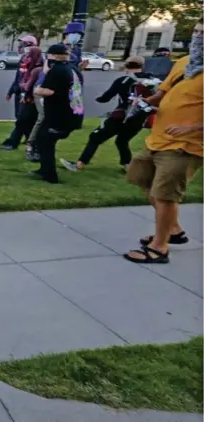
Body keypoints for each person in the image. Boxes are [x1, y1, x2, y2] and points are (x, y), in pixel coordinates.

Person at [123, 19, 203, 265]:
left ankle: (159, 248)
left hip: (185, 145)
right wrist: (147, 102)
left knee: (165, 195)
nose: (198, 37)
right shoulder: (185, 62)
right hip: (157, 139)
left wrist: (191, 126)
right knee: (139, 176)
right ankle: (174, 230)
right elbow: (164, 92)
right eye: (197, 32)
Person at [60, 56, 155, 172]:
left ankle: (80, 164)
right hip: (140, 119)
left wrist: (98, 98)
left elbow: (106, 97)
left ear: (126, 65)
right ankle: (128, 166)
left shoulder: (124, 80)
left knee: (95, 137)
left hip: (121, 117)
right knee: (122, 140)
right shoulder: (153, 81)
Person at [30, 43, 84, 184]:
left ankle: (50, 175)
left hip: (59, 116)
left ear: (52, 56)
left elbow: (48, 91)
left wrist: (36, 90)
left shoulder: (57, 71)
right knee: (43, 139)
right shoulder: (73, 69)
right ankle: (44, 169)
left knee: (45, 141)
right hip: (73, 114)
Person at [0, 46, 44, 150]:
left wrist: (22, 85)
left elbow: (27, 85)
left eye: (30, 54)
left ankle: (14, 142)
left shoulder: (37, 69)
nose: (27, 57)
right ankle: (31, 143)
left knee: (22, 121)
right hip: (29, 98)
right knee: (28, 122)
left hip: (31, 99)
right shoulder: (31, 66)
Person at [6, 35, 38, 118]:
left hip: (28, 94)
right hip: (18, 92)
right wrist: (10, 92)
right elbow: (17, 77)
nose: (20, 47)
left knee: (25, 118)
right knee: (18, 116)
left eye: (23, 44)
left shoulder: (36, 61)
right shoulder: (22, 59)